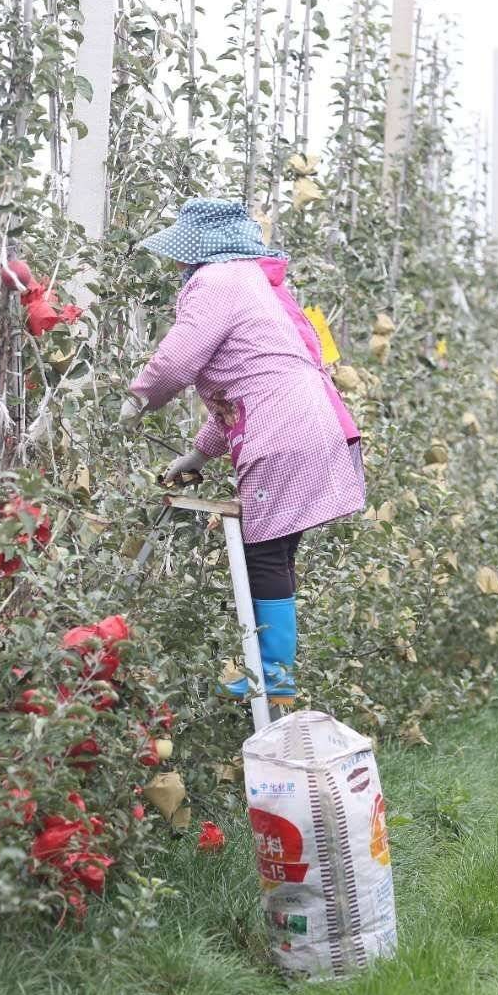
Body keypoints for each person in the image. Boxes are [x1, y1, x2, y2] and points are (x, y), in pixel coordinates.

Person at [120, 198, 365, 698]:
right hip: (309, 425)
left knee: (264, 553)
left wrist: (141, 396)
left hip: (282, 433)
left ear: (199, 248)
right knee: (276, 550)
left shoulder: (218, 280)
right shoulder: (253, 281)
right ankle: (274, 668)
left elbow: (179, 359)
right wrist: (200, 453)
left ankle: (273, 672)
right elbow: (246, 385)